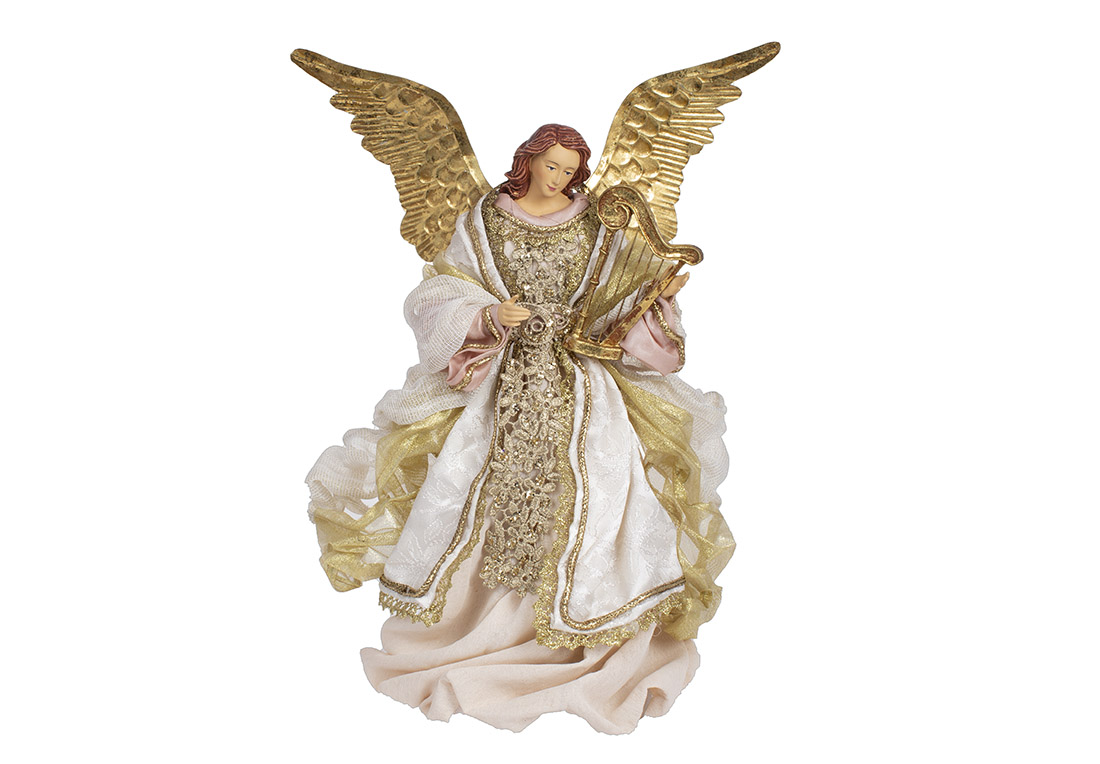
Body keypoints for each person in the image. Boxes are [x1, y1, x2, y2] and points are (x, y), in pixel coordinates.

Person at [306, 124, 732, 733]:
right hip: (502, 378)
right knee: (481, 487)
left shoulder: (597, 221)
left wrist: (648, 302)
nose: (560, 179)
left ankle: (584, 616)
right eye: (551, 166)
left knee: (594, 491)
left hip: (582, 384)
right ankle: (480, 626)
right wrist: (486, 313)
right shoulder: (485, 220)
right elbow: (439, 290)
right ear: (528, 161)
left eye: (570, 171)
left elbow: (618, 293)